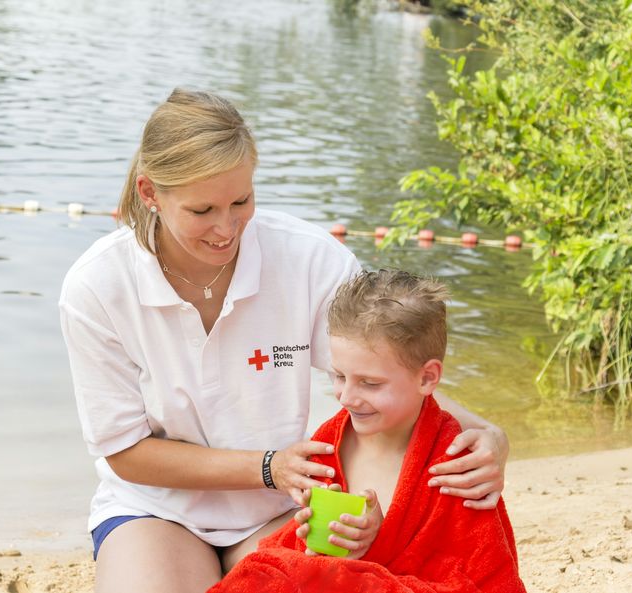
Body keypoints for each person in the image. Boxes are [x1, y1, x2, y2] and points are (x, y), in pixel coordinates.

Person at [59, 89, 510, 593]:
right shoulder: (97, 286)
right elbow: (125, 453)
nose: (226, 228)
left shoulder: (310, 259)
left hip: (286, 511)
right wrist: (269, 467)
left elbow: (387, 372)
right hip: (157, 510)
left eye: (241, 201)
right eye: (202, 209)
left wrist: (488, 433)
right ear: (149, 194)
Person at [210, 269, 526, 593]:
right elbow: (314, 561)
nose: (346, 397)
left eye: (370, 383)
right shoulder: (328, 444)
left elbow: (486, 577)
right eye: (338, 376)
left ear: (427, 378)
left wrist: (373, 550)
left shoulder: (457, 466)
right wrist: (321, 541)